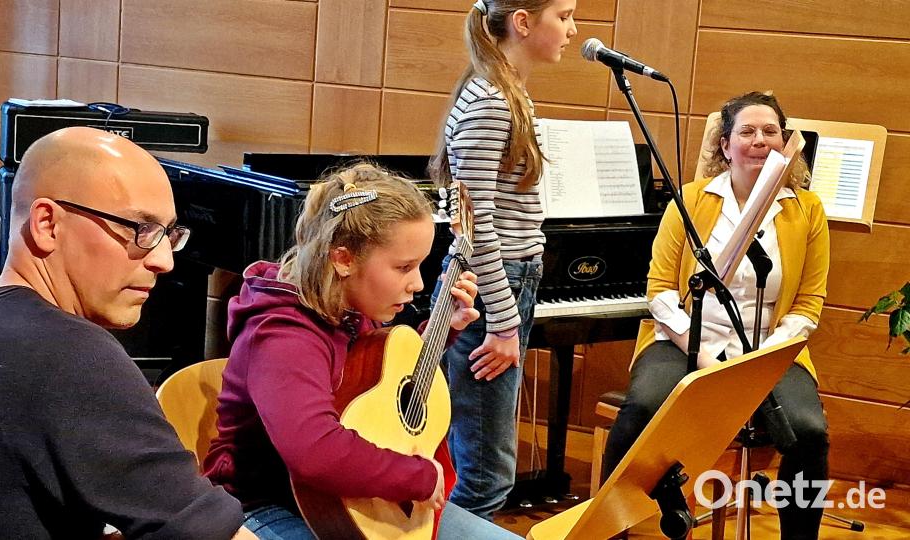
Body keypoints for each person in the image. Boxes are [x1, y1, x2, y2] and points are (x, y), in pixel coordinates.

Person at [0, 127, 255, 539]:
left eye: (169, 234)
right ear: (47, 224)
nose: (164, 260)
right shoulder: (67, 354)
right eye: (140, 229)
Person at [203, 163, 522, 539]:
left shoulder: (352, 312)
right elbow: (316, 452)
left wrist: (441, 331)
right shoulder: (282, 335)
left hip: (358, 494)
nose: (417, 283)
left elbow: (369, 391)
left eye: (419, 265)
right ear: (343, 259)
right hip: (267, 503)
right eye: (404, 267)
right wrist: (416, 476)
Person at [601, 91, 831, 539]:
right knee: (641, 409)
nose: (760, 140)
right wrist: (702, 353)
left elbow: (808, 303)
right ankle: (605, 529)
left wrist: (761, 358)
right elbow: (660, 291)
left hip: (770, 349)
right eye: (747, 131)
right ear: (725, 145)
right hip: (685, 340)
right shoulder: (689, 202)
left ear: (785, 143)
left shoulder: (807, 210)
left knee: (808, 431)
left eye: (770, 131)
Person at [427, 0, 577, 520]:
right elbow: (475, 225)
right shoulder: (492, 102)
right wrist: (505, 321)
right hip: (491, 289)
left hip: (507, 284)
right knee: (486, 476)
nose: (571, 30)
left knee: (476, 465)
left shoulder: (507, 93)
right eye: (564, 15)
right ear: (522, 22)